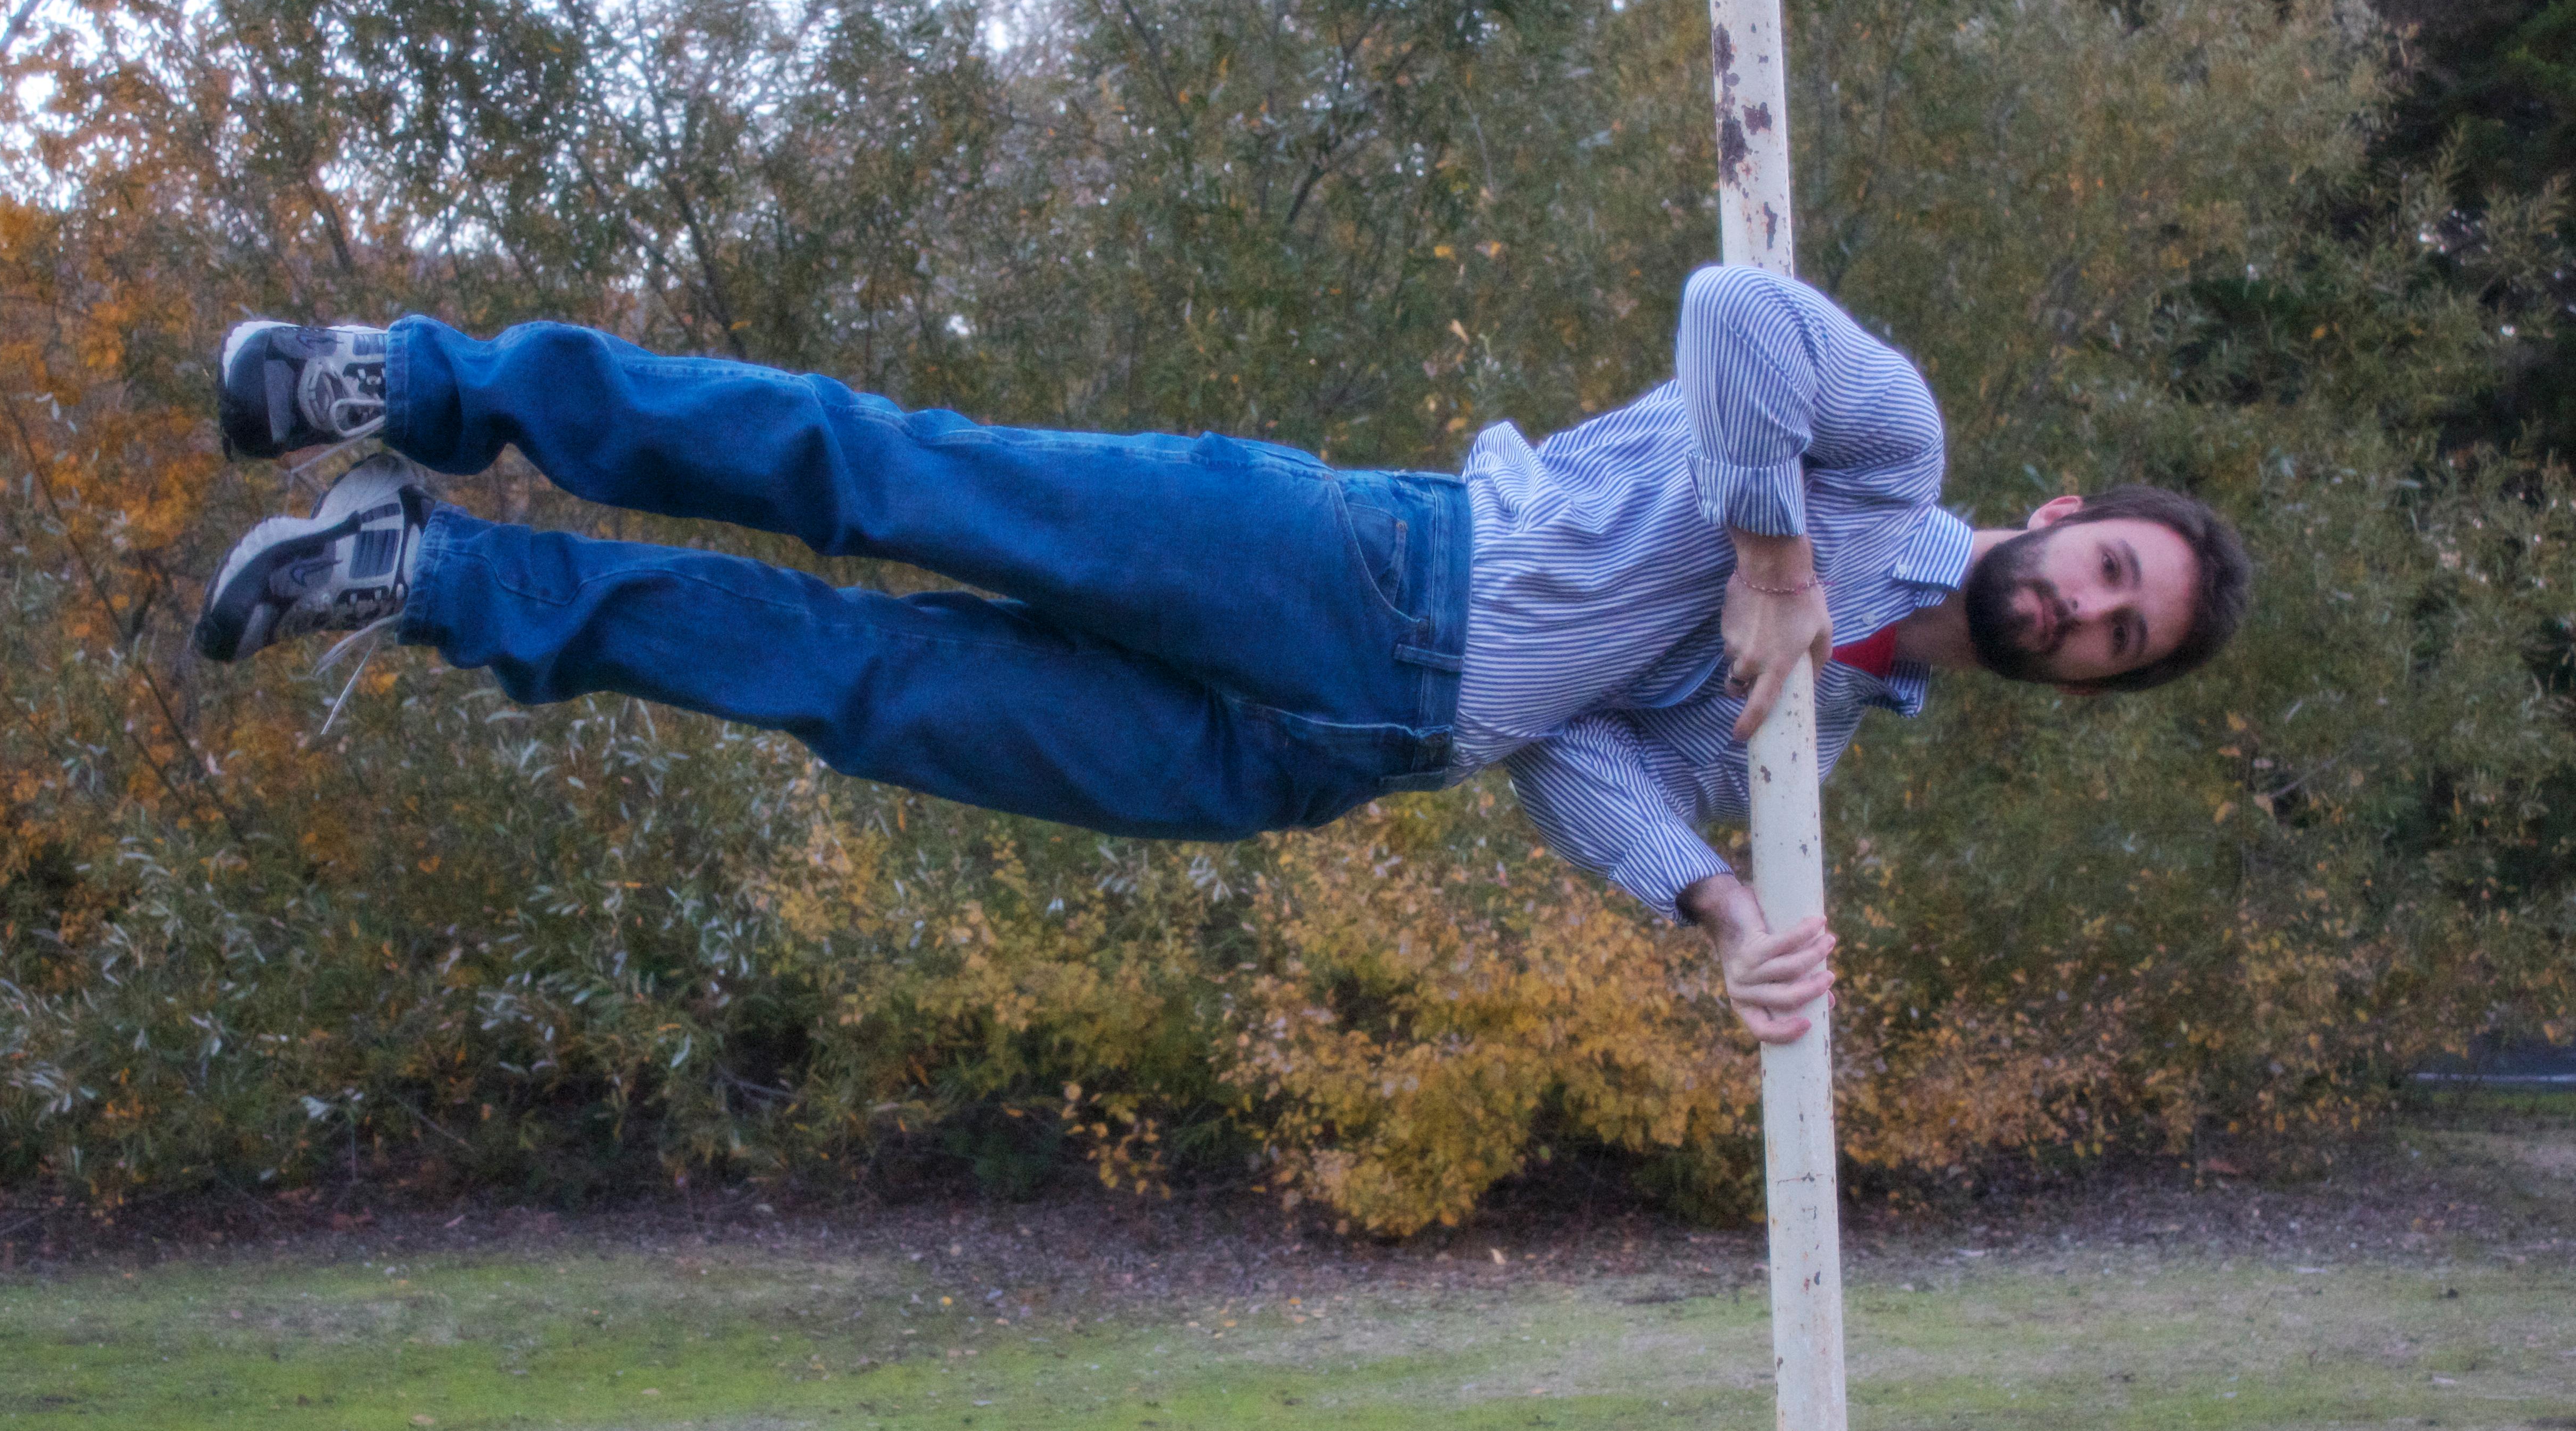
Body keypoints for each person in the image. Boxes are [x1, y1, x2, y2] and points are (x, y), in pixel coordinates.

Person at [194, 266, 2251, 1042]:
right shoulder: (1895, 454)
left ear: (2085, 684)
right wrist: (1771, 554)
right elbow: (1739, 311)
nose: (2078, 615)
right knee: (886, 476)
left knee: (864, 690)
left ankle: (430, 580)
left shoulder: (1841, 730)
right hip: (1357, 571)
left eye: (2112, 642)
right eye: (2102, 574)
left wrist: (1714, 906)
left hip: (1318, 757)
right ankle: (415, 384)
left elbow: (1578, 767)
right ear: (2061, 521)